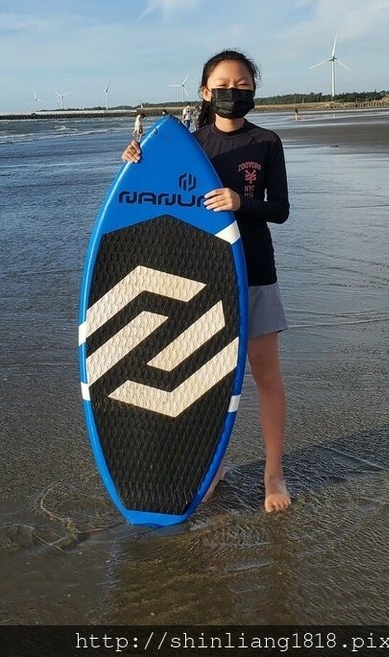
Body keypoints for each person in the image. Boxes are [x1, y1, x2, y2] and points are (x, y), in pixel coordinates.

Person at [122, 49, 291, 513]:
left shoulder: (266, 142)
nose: (232, 93)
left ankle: (273, 474)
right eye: (223, 85)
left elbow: (279, 209)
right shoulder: (190, 146)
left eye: (242, 86)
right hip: (200, 276)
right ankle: (210, 466)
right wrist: (138, 159)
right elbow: (154, 199)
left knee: (266, 376)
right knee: (208, 380)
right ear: (204, 91)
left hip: (254, 270)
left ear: (253, 91)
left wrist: (242, 201)